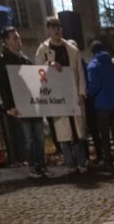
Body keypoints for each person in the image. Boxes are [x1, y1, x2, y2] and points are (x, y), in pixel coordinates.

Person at [35, 17, 87, 174]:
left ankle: (82, 162)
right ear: (48, 31)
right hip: (57, 96)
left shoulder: (72, 49)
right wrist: (49, 64)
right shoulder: (43, 50)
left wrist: (81, 93)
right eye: (53, 28)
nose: (57, 31)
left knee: (77, 131)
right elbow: (37, 71)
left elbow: (80, 72)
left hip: (72, 94)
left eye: (58, 28)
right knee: (63, 133)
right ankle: (70, 164)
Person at [0, 26, 47, 178]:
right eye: (15, 38)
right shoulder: (1, 61)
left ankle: (42, 165)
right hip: (19, 105)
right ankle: (33, 167)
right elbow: (2, 86)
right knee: (28, 138)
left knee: (39, 137)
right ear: (6, 41)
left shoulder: (26, 60)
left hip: (33, 105)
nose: (19, 40)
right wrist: (9, 106)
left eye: (18, 37)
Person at [86, 39, 114, 172]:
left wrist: (89, 95)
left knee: (105, 136)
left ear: (92, 52)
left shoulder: (93, 66)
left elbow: (94, 86)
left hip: (101, 106)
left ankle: (108, 162)